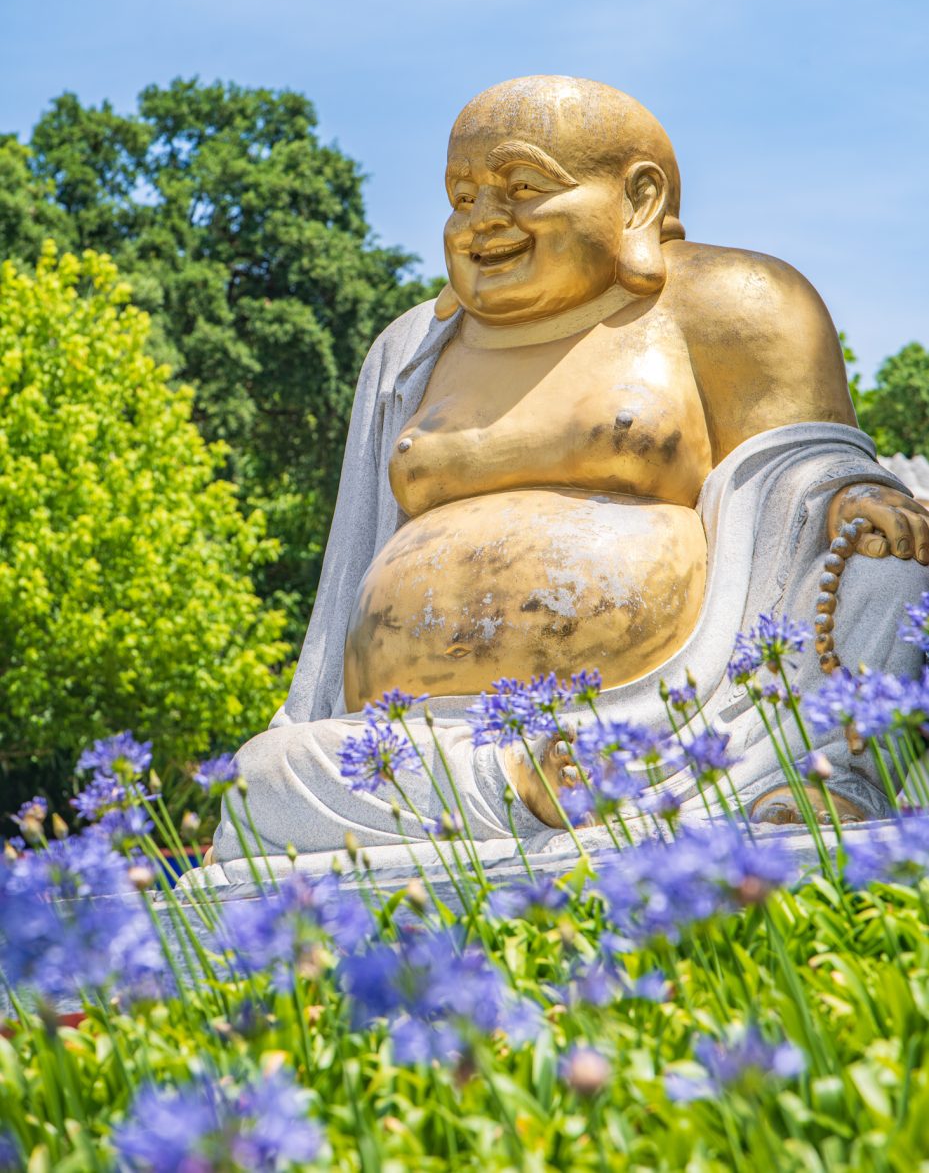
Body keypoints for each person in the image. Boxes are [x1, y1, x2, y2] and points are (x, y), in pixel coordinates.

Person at [209, 76, 929, 878]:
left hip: (690, 714)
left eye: (521, 188)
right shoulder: (409, 347)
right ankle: (523, 783)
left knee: (886, 557)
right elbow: (349, 567)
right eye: (462, 196)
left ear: (639, 198)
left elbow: (800, 466)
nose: (483, 219)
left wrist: (853, 493)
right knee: (257, 780)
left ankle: (797, 780)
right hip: (413, 738)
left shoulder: (735, 300)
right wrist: (298, 716)